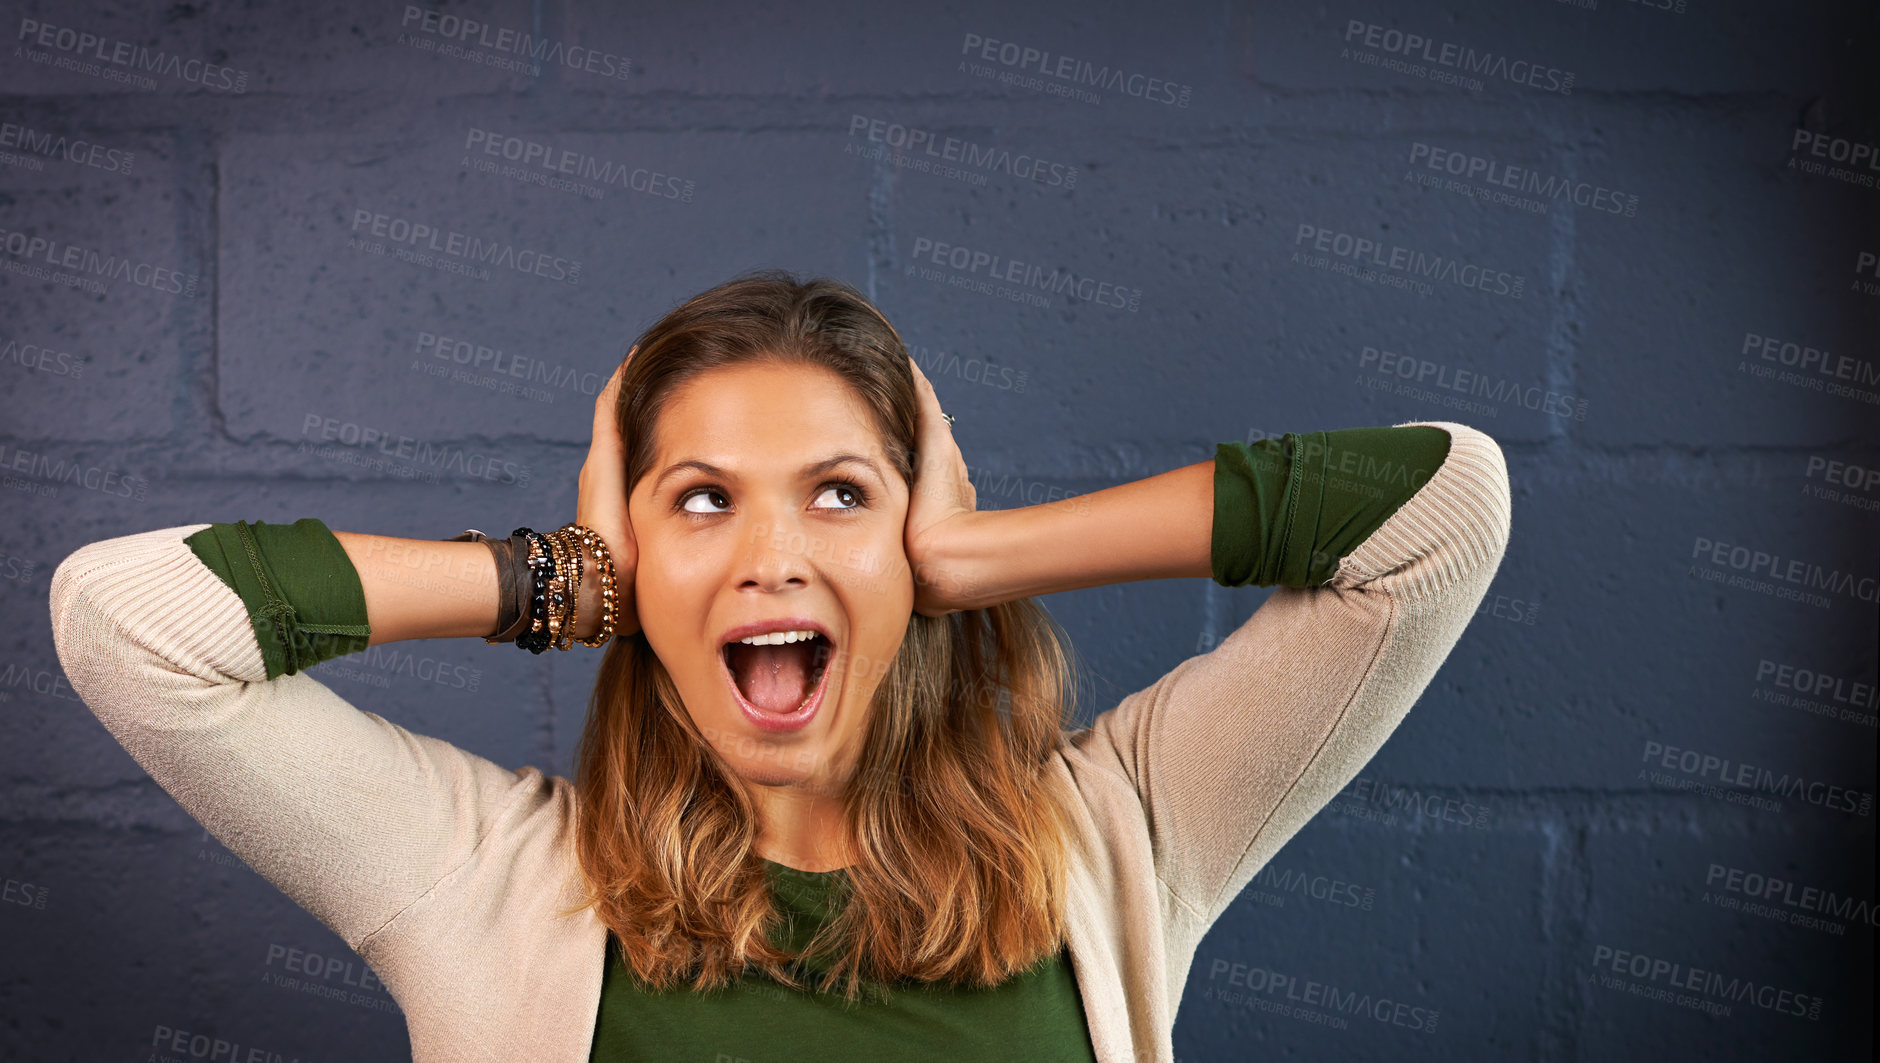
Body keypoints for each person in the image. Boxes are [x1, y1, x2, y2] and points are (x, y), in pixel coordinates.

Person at [48, 271, 1511, 1062]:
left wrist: (973, 557)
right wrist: (557, 580)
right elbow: (127, 620)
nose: (771, 556)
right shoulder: (474, 878)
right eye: (700, 500)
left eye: (837, 496)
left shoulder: (1123, 833)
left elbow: (1440, 512)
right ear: (625, 566)